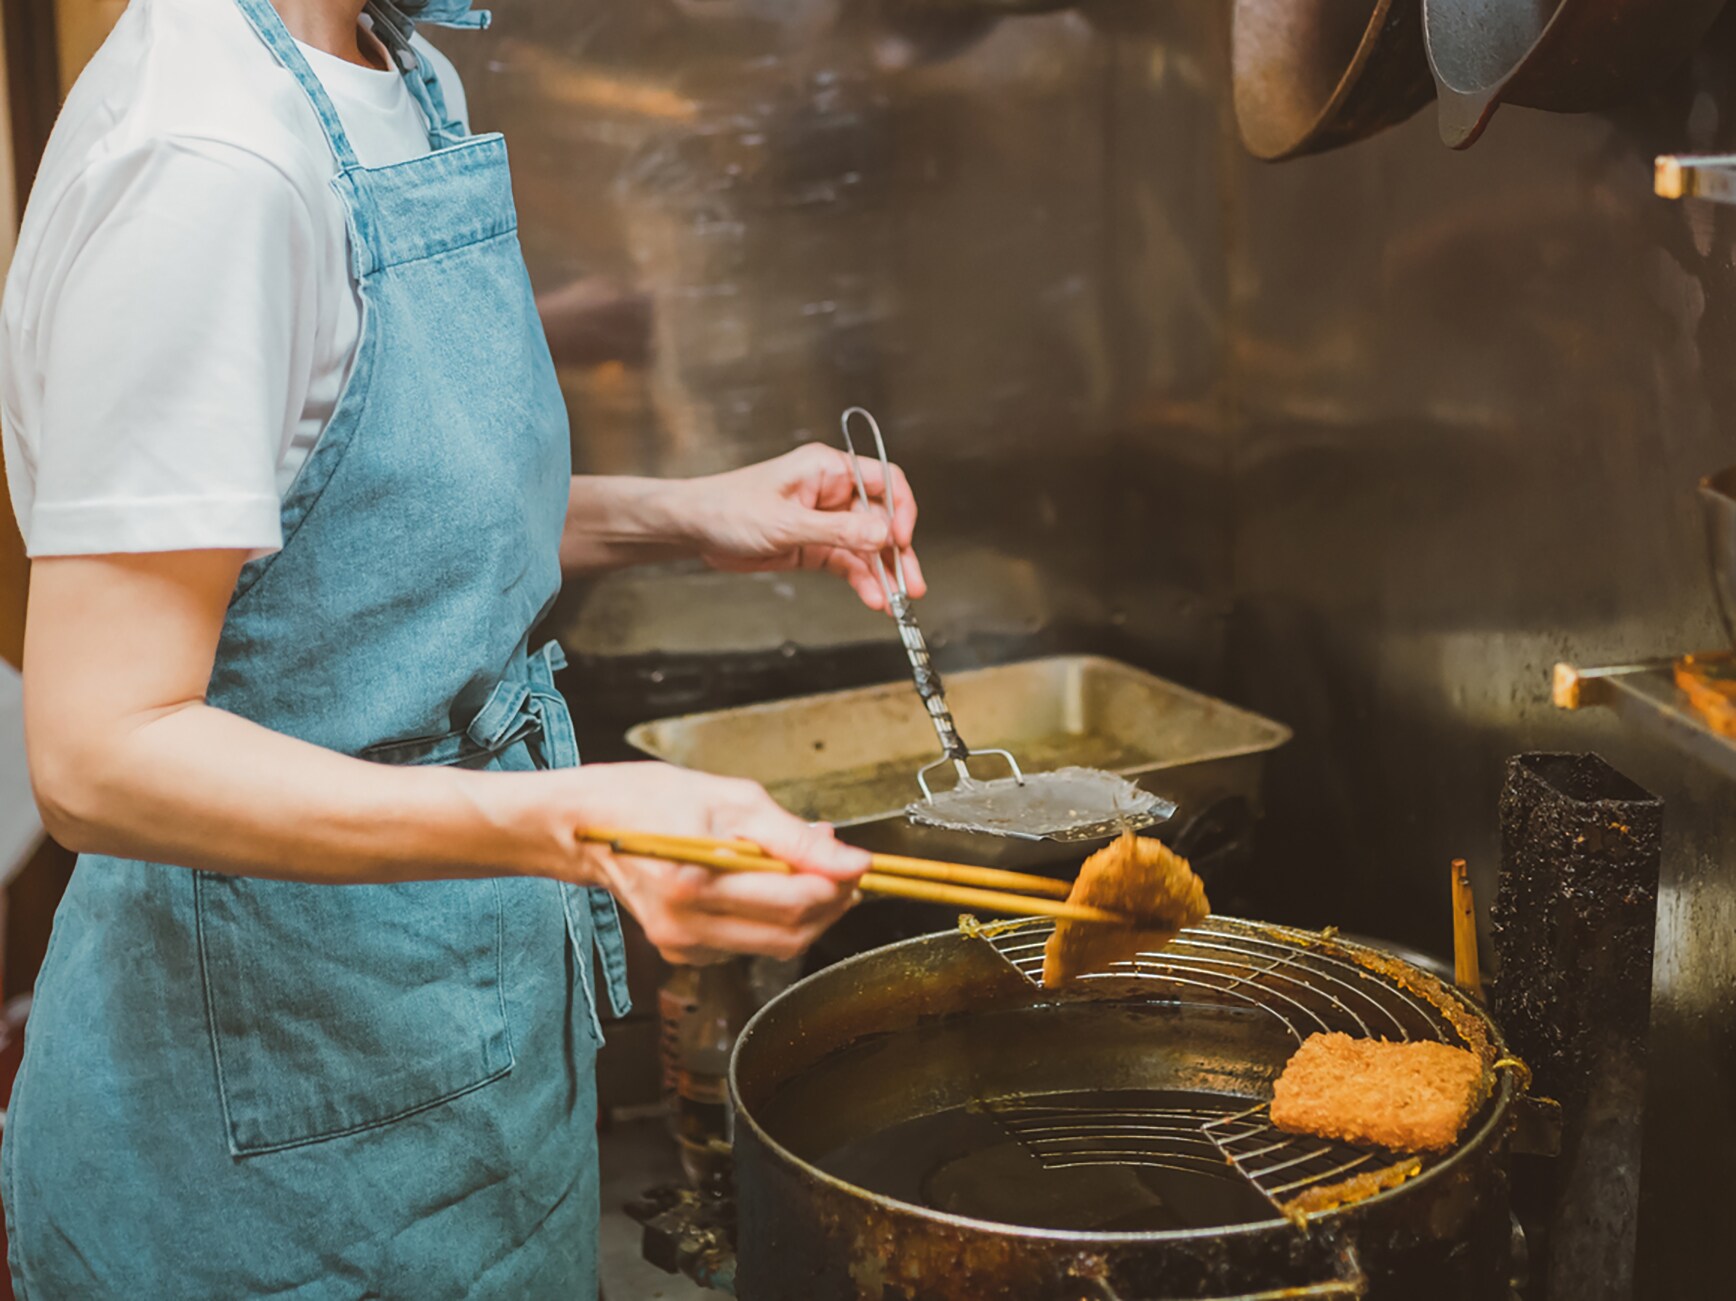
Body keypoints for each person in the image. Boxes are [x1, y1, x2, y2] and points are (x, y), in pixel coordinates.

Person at [0, 0, 923, 1294]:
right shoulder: (211, 161)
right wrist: (578, 823)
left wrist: (695, 515)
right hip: (268, 1099)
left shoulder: (403, 71)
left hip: (450, 1018)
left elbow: (361, 526)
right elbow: (100, 753)